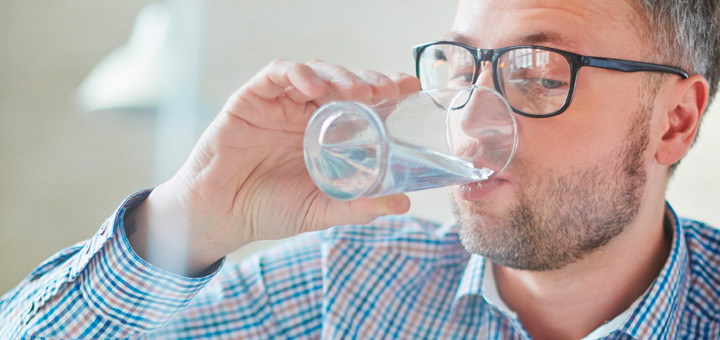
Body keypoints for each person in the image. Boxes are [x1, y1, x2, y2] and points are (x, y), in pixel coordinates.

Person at [2, 0, 719, 338]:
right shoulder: (342, 288)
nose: (470, 121)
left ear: (674, 121)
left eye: (536, 70)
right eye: (462, 65)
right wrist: (189, 215)